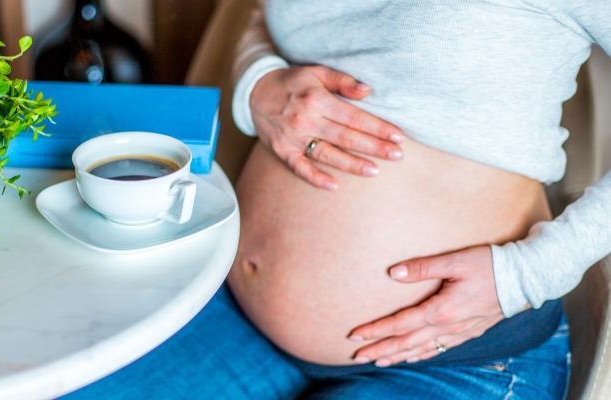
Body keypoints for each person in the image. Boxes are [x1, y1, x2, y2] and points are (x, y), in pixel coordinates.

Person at [65, 0, 611, 398]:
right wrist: (260, 82)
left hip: (458, 359)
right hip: (236, 313)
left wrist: (530, 273)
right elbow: (262, 17)